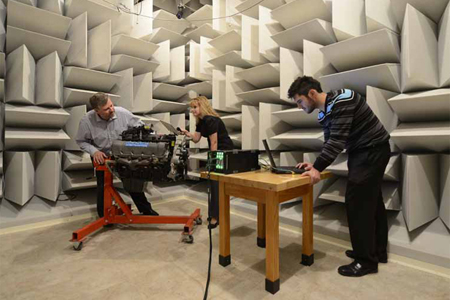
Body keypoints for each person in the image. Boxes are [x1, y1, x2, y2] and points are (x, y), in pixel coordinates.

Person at [288, 76, 390, 277]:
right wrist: (314, 165)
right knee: (372, 203)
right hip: (361, 153)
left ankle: (365, 261)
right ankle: (375, 252)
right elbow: (330, 143)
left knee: (357, 203)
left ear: (312, 93)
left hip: (372, 150)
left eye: (300, 102)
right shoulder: (323, 114)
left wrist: (317, 168)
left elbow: (337, 141)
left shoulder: (344, 98)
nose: (300, 107)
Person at [75, 92, 158, 217]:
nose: (111, 109)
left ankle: (146, 210)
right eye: (106, 109)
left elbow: (141, 127)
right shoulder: (86, 121)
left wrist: (152, 137)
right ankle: (104, 216)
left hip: (123, 154)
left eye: (111, 105)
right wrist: (94, 151)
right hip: (101, 155)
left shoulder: (122, 113)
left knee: (132, 181)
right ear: (97, 110)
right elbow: (81, 141)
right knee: (103, 186)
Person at [180, 96, 234, 229]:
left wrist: (213, 161)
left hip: (223, 151)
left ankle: (216, 217)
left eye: (195, 107)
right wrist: (188, 133)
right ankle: (215, 213)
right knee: (213, 184)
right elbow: (197, 139)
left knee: (215, 184)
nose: (192, 110)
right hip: (217, 152)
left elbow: (214, 142)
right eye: (191, 107)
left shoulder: (210, 120)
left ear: (202, 106)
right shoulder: (201, 121)